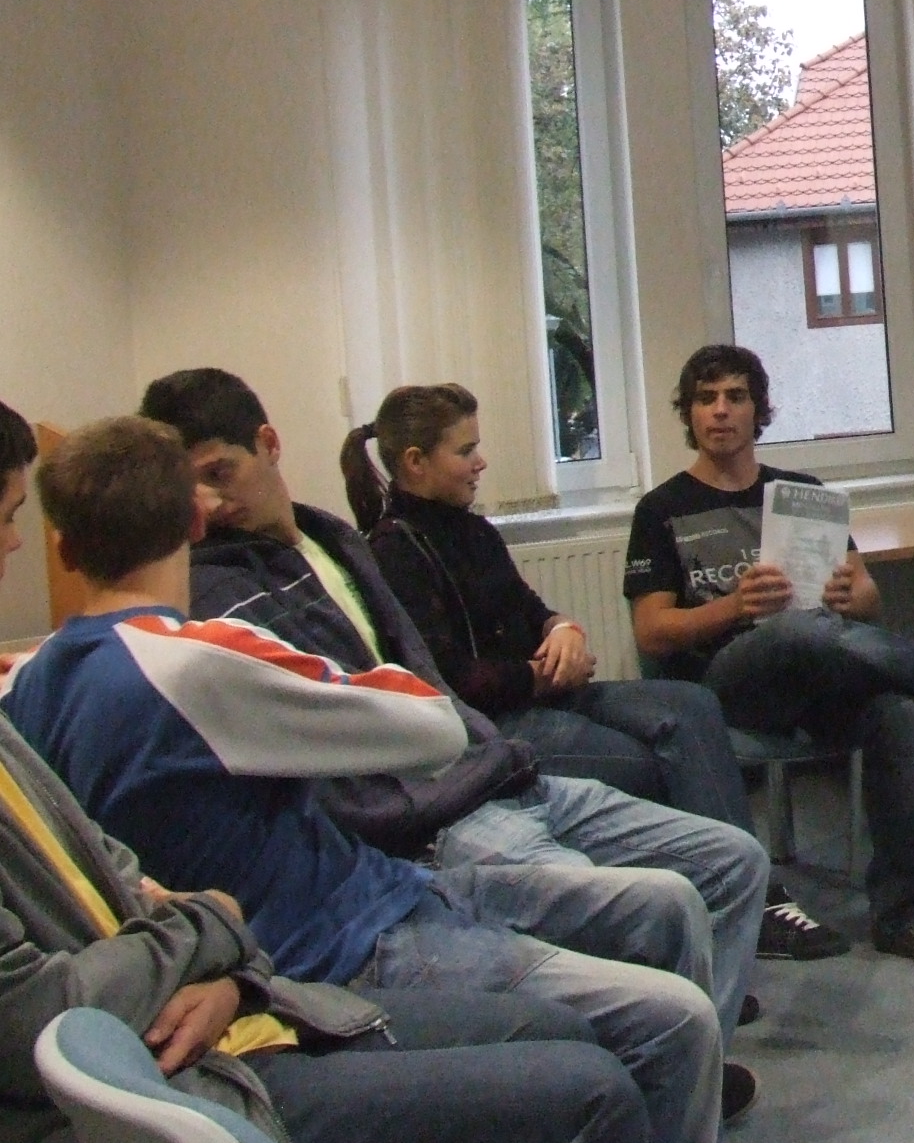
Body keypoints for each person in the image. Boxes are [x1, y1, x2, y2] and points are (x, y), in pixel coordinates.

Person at [4, 416, 725, 1143]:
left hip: (361, 899)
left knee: (657, 907)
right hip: (347, 940)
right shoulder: (197, 657)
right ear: (195, 523)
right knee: (672, 1019)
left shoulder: (30, 685)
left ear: (63, 549)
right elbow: (434, 726)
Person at [135, 369, 767, 1083]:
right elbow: (406, 709)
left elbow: (447, 663)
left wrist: (562, 628)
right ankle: (669, 1059)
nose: (208, 504)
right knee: (641, 869)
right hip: (439, 808)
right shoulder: (229, 586)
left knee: (732, 853)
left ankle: (698, 1065)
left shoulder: (336, 541)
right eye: (192, 486)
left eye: (220, 473)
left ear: (268, 444)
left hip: (494, 765)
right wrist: (529, 684)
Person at [341, 384, 834, 962]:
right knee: (648, 763)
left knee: (692, 705)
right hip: (496, 724)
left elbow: (530, 608)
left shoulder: (472, 530)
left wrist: (564, 629)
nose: (481, 462)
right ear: (415, 462)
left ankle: (748, 898)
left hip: (548, 691)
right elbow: (448, 681)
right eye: (465, 450)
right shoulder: (394, 553)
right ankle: (687, 926)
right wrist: (540, 675)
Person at [628, 344, 914, 969]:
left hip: (821, 674)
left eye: (735, 397)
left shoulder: (802, 494)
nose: (720, 411)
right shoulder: (661, 510)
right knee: (794, 629)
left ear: (758, 410)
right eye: (706, 399)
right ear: (690, 413)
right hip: (725, 688)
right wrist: (733, 607)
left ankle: (905, 912)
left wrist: (850, 595)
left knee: (900, 711)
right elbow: (651, 632)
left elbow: (868, 598)